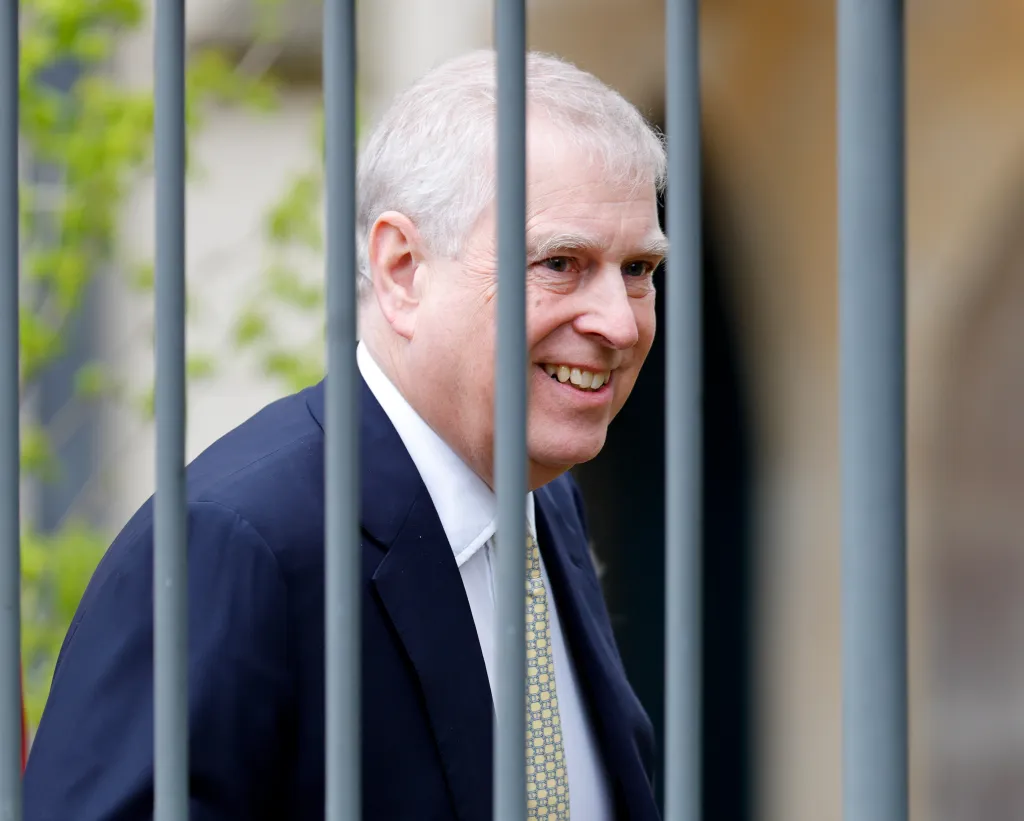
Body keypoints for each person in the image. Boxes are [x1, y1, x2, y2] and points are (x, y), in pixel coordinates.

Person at [23, 49, 668, 820]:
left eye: (638, 268)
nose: (620, 321)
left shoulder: (545, 502)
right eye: (562, 263)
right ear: (401, 269)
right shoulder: (233, 544)